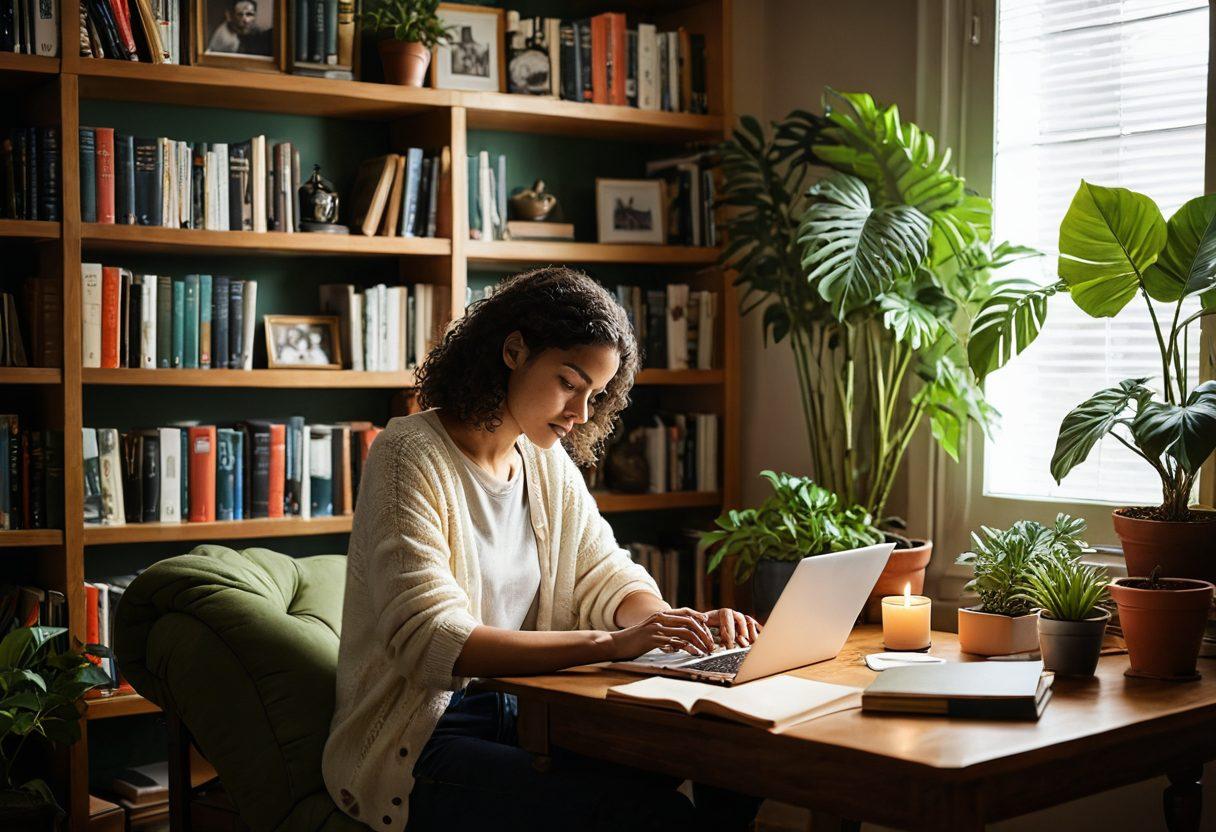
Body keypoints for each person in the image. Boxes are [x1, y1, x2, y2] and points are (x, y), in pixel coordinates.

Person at [322, 267, 764, 831]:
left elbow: (605, 574)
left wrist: (675, 630)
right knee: (653, 812)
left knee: (728, 759)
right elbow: (433, 640)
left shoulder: (545, 461)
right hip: (423, 741)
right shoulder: (407, 454)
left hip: (533, 713)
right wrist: (615, 642)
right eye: (569, 383)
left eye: (595, 395)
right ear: (513, 351)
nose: (580, 413)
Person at [207, 0, 272, 56]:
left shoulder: (253, 29)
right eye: (240, 15)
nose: (246, 20)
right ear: (230, 16)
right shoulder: (227, 39)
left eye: (249, 14)